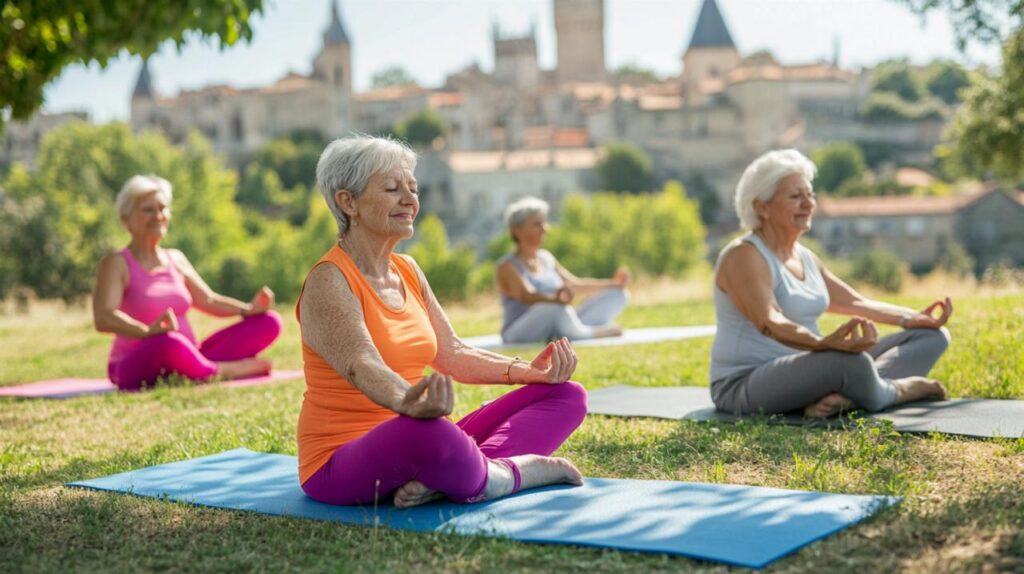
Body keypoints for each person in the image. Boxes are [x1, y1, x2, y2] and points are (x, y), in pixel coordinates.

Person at [298, 136, 587, 509]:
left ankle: (451, 477)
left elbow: (452, 353)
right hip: (340, 460)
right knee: (430, 433)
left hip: (420, 432)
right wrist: (409, 404)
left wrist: (528, 372)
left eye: (413, 188)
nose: (410, 200)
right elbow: (361, 364)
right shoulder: (328, 280)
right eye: (392, 188)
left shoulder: (407, 269)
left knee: (566, 395)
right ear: (348, 202)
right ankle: (510, 475)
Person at [711, 149, 950, 418]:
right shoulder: (744, 255)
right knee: (850, 363)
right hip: (744, 384)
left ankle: (848, 397)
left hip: (809, 370)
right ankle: (900, 390)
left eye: (810, 194)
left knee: (931, 337)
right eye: (795, 197)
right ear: (762, 207)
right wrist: (822, 344)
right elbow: (769, 320)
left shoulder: (805, 257)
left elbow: (854, 302)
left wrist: (912, 319)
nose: (808, 204)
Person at [93, 175, 281, 391]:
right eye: (148, 210)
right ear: (126, 219)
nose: (158, 215)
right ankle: (225, 370)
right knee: (168, 342)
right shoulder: (116, 264)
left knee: (268, 321)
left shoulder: (176, 258)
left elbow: (208, 300)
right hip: (133, 364)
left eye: (162, 208)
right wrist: (147, 332)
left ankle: (194, 368)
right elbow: (104, 317)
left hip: (188, 354)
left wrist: (248, 310)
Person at [495, 196, 630, 344]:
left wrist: (614, 284)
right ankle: (590, 333)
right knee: (556, 308)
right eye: (537, 224)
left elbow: (574, 285)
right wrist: (556, 299)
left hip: (559, 317)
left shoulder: (546, 258)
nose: (545, 229)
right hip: (519, 332)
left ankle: (570, 331)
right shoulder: (506, 266)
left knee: (618, 295)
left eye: (544, 223)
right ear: (518, 230)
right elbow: (526, 296)